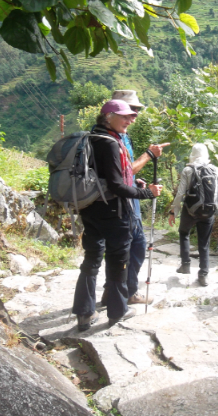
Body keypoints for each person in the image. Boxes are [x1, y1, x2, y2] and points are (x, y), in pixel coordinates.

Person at [72, 99, 163, 331]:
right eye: (123, 116)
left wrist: (133, 182)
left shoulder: (90, 138)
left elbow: (102, 177)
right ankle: (117, 311)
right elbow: (116, 186)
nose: (129, 120)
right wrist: (147, 193)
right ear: (108, 117)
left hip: (90, 208)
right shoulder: (111, 143)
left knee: (91, 260)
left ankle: (84, 313)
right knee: (117, 261)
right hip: (114, 212)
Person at [97, 90, 169, 307]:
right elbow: (124, 171)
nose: (134, 116)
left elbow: (121, 171)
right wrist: (149, 155)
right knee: (135, 245)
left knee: (122, 248)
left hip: (121, 196)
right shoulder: (113, 138)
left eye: (136, 111)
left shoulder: (116, 135)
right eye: (131, 110)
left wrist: (134, 180)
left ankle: (112, 292)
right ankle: (126, 293)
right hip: (123, 201)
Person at [168, 143, 218, 287]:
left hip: (190, 210)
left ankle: (185, 265)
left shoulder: (188, 170)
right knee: (204, 243)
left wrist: (173, 212)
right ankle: (203, 275)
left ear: (192, 155)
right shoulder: (214, 169)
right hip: (208, 211)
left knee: (184, 233)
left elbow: (180, 194)